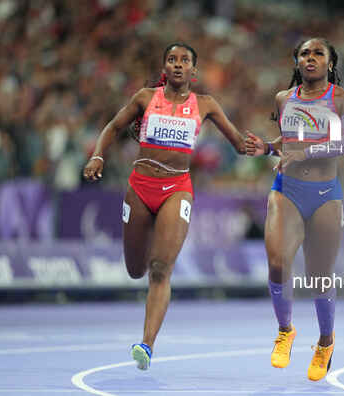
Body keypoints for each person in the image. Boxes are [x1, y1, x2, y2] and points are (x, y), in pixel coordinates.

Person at [83, 42, 246, 370]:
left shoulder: (206, 105)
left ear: (193, 72)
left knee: (161, 268)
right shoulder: (145, 98)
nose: (177, 64)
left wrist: (273, 149)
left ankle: (147, 344)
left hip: (177, 189)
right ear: (164, 68)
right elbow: (113, 128)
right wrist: (98, 154)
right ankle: (142, 283)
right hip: (140, 188)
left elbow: (241, 144)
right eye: (171, 59)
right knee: (136, 270)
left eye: (184, 60)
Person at [246, 38, 344, 381]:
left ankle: (325, 341)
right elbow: (289, 139)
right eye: (304, 54)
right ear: (296, 61)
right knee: (278, 262)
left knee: (319, 276)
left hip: (325, 194)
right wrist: (268, 147)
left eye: (318, 53)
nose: (310, 58)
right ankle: (285, 330)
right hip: (287, 192)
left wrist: (305, 153)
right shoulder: (284, 99)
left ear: (330, 62)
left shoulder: (343, 100)